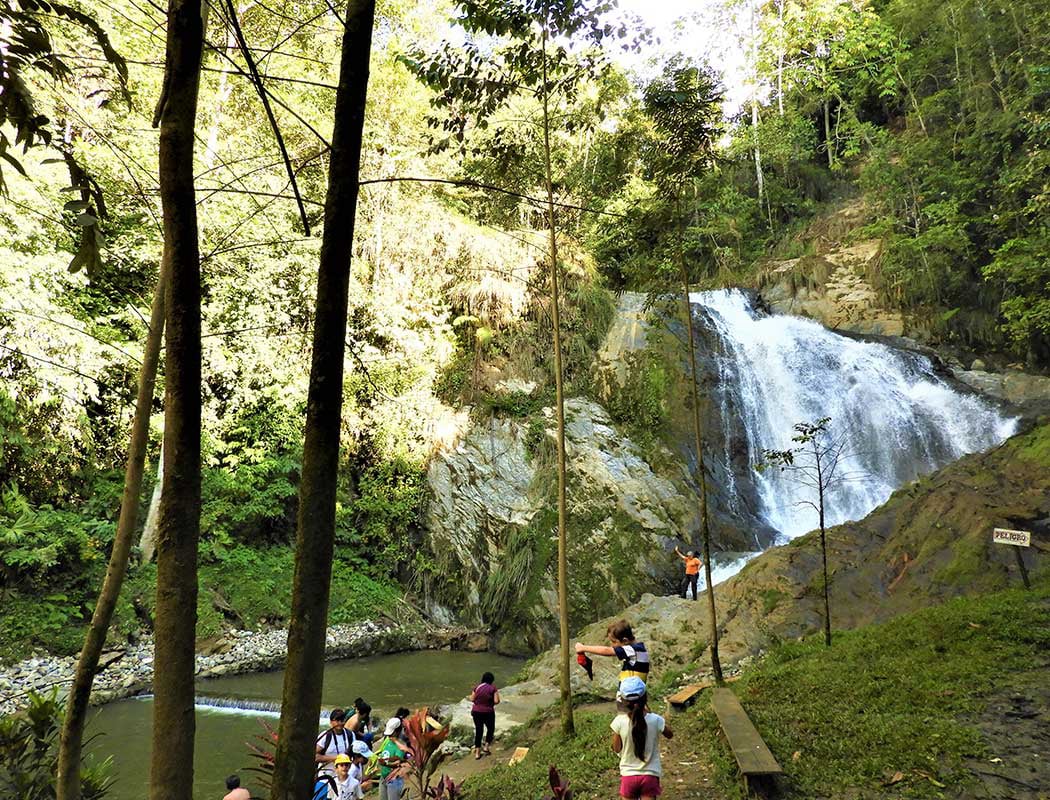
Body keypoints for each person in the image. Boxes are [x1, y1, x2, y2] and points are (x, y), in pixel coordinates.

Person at [610, 677, 673, 800]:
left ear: (623, 701)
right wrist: (651, 713)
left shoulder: (619, 722)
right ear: (645, 698)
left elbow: (616, 748)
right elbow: (670, 734)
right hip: (650, 775)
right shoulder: (655, 719)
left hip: (628, 776)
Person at [575, 619, 650, 682]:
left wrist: (583, 647)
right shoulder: (638, 649)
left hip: (632, 695)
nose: (612, 645)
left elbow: (607, 650)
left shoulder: (633, 650)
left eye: (614, 642)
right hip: (634, 693)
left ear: (625, 640)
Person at [377, 716, 411, 800]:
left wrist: (385, 763)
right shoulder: (388, 740)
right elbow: (384, 753)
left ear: (398, 731)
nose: (390, 736)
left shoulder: (401, 745)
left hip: (394, 779)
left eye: (392, 734)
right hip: (383, 777)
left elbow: (397, 761)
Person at [469, 671, 501, 759]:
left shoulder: (477, 687)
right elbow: (496, 701)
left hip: (476, 712)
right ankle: (486, 746)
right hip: (488, 712)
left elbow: (472, 699)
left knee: (479, 731)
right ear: (492, 680)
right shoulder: (493, 688)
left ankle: (477, 753)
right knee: (490, 728)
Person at [316, 708, 356, 776]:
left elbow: (355, 754)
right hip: (326, 777)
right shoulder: (325, 736)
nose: (340, 723)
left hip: (344, 777)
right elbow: (315, 757)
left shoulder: (350, 735)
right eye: (337, 720)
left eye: (342, 720)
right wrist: (337, 758)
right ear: (331, 722)